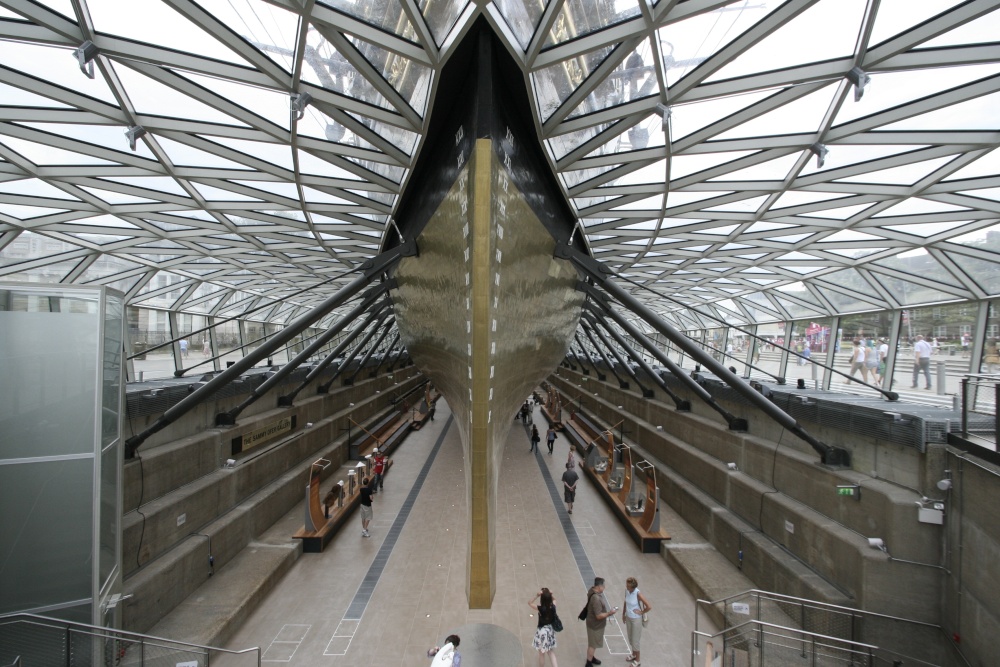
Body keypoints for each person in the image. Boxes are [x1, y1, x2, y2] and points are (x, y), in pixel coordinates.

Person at [585, 577, 615, 667]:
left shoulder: (591, 590)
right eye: (603, 586)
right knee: (593, 644)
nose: (604, 587)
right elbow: (598, 616)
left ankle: (591, 657)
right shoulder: (596, 599)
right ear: (599, 587)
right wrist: (609, 613)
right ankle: (588, 663)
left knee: (592, 643)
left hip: (591, 622)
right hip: (595, 626)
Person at [622, 577, 652, 666]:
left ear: (632, 587)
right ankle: (633, 654)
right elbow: (625, 602)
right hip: (628, 617)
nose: (626, 586)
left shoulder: (638, 594)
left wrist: (641, 612)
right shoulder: (627, 591)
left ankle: (637, 660)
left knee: (635, 640)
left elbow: (649, 606)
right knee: (631, 638)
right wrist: (623, 614)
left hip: (636, 619)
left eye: (628, 586)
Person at [528, 588, 559, 667]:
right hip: (550, 631)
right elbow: (555, 600)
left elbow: (529, 602)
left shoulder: (541, 608)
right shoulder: (553, 607)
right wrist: (551, 595)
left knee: (541, 653)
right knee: (550, 652)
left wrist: (537, 595)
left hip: (542, 632)